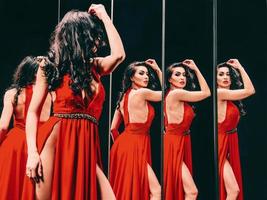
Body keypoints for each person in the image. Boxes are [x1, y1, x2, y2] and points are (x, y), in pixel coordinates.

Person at [25, 4, 125, 199]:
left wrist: (105, 15)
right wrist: (32, 152)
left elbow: (119, 55)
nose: (97, 40)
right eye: (92, 34)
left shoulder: (95, 66)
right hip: (56, 139)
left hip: (87, 143)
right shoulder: (50, 66)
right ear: (80, 36)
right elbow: (32, 112)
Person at [0, 56, 52, 200]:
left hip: (14, 145)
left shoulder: (12, 94)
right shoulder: (50, 94)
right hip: (40, 143)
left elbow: (3, 126)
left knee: (9, 187)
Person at [109, 59, 162, 200]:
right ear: (132, 77)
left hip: (123, 146)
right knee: (156, 190)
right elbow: (168, 94)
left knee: (132, 190)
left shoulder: (122, 97)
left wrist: (121, 150)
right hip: (134, 146)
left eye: (147, 73)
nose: (146, 77)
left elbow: (113, 129)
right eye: (141, 73)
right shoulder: (142, 93)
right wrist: (157, 70)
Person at [164, 59, 210, 200]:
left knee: (183, 190)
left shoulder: (173, 93)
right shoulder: (176, 94)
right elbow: (206, 93)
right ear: (170, 79)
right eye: (177, 75)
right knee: (191, 192)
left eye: (184, 74)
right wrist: (195, 69)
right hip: (174, 144)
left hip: (181, 141)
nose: (182, 78)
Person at [217, 59, 255, 200]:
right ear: (215, 78)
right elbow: (250, 90)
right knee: (233, 191)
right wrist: (240, 67)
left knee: (232, 190)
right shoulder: (220, 92)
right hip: (221, 143)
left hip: (230, 141)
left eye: (228, 74)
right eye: (221, 74)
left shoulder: (229, 96)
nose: (225, 77)